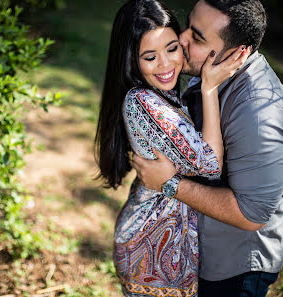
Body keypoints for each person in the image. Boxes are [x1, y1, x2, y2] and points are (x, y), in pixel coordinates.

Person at [132, 0, 283, 296]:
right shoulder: (211, 70)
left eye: (197, 37)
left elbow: (252, 215)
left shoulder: (258, 112)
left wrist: (169, 184)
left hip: (234, 270)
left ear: (238, 52)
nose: (180, 39)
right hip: (199, 253)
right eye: (188, 26)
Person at [94, 0, 249, 296]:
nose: (166, 65)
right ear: (131, 61)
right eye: (150, 57)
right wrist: (209, 88)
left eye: (172, 48)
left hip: (162, 246)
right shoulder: (144, 102)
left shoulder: (162, 94)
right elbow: (210, 163)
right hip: (149, 251)